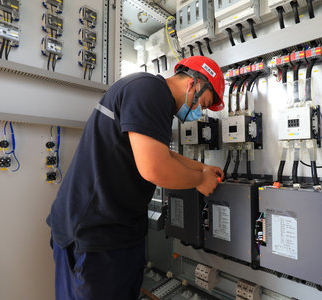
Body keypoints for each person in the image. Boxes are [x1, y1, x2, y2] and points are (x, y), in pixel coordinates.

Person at [46, 56, 225, 300]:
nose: (198, 112)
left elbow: (161, 153)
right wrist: (199, 181)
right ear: (193, 84)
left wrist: (201, 168)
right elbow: (155, 168)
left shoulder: (152, 96)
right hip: (92, 235)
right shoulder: (148, 90)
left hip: (117, 234)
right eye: (201, 104)